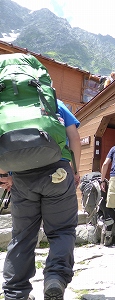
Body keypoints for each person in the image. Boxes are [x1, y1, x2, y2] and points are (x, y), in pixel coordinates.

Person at [0, 100, 81, 300]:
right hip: (58, 169)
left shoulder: (5, 104)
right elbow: (74, 137)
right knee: (62, 229)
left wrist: (4, 174)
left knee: (22, 236)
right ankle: (55, 278)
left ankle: (16, 293)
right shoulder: (53, 101)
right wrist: (76, 171)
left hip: (22, 176)